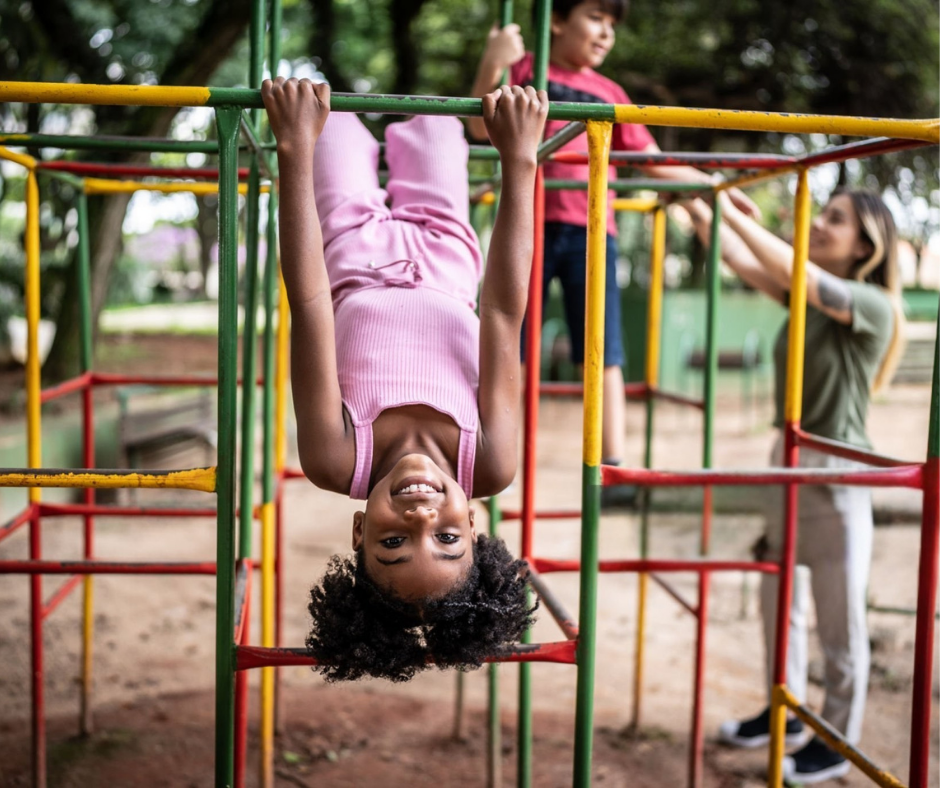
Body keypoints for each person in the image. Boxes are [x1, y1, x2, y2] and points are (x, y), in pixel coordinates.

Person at [262, 78, 549, 681]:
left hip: (346, 251)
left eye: (392, 546)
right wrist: (520, 163)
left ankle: (331, 129)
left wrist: (292, 152)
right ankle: (493, 62)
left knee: (328, 123)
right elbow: (501, 312)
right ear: (473, 524)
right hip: (446, 255)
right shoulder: (488, 464)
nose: (422, 522)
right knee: (438, 124)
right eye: (448, 540)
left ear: (361, 531)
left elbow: (311, 303)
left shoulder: (337, 459)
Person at [467, 0, 760, 507]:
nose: (606, 33)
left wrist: (712, 184)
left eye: (612, 25)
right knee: (504, 341)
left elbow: (651, 160)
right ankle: (490, 456)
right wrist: (493, 60)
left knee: (603, 350)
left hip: (592, 230)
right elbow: (477, 127)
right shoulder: (523, 70)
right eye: (595, 18)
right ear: (557, 20)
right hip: (527, 227)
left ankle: (613, 469)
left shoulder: (609, 93)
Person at [683, 189, 905, 784]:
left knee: (838, 617)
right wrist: (697, 200)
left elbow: (795, 268)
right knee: (776, 601)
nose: (819, 224)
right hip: (788, 459)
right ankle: (785, 706)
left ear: (866, 245)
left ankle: (835, 739)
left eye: (834, 218)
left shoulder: (871, 305)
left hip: (834, 470)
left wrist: (726, 210)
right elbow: (734, 254)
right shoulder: (805, 300)